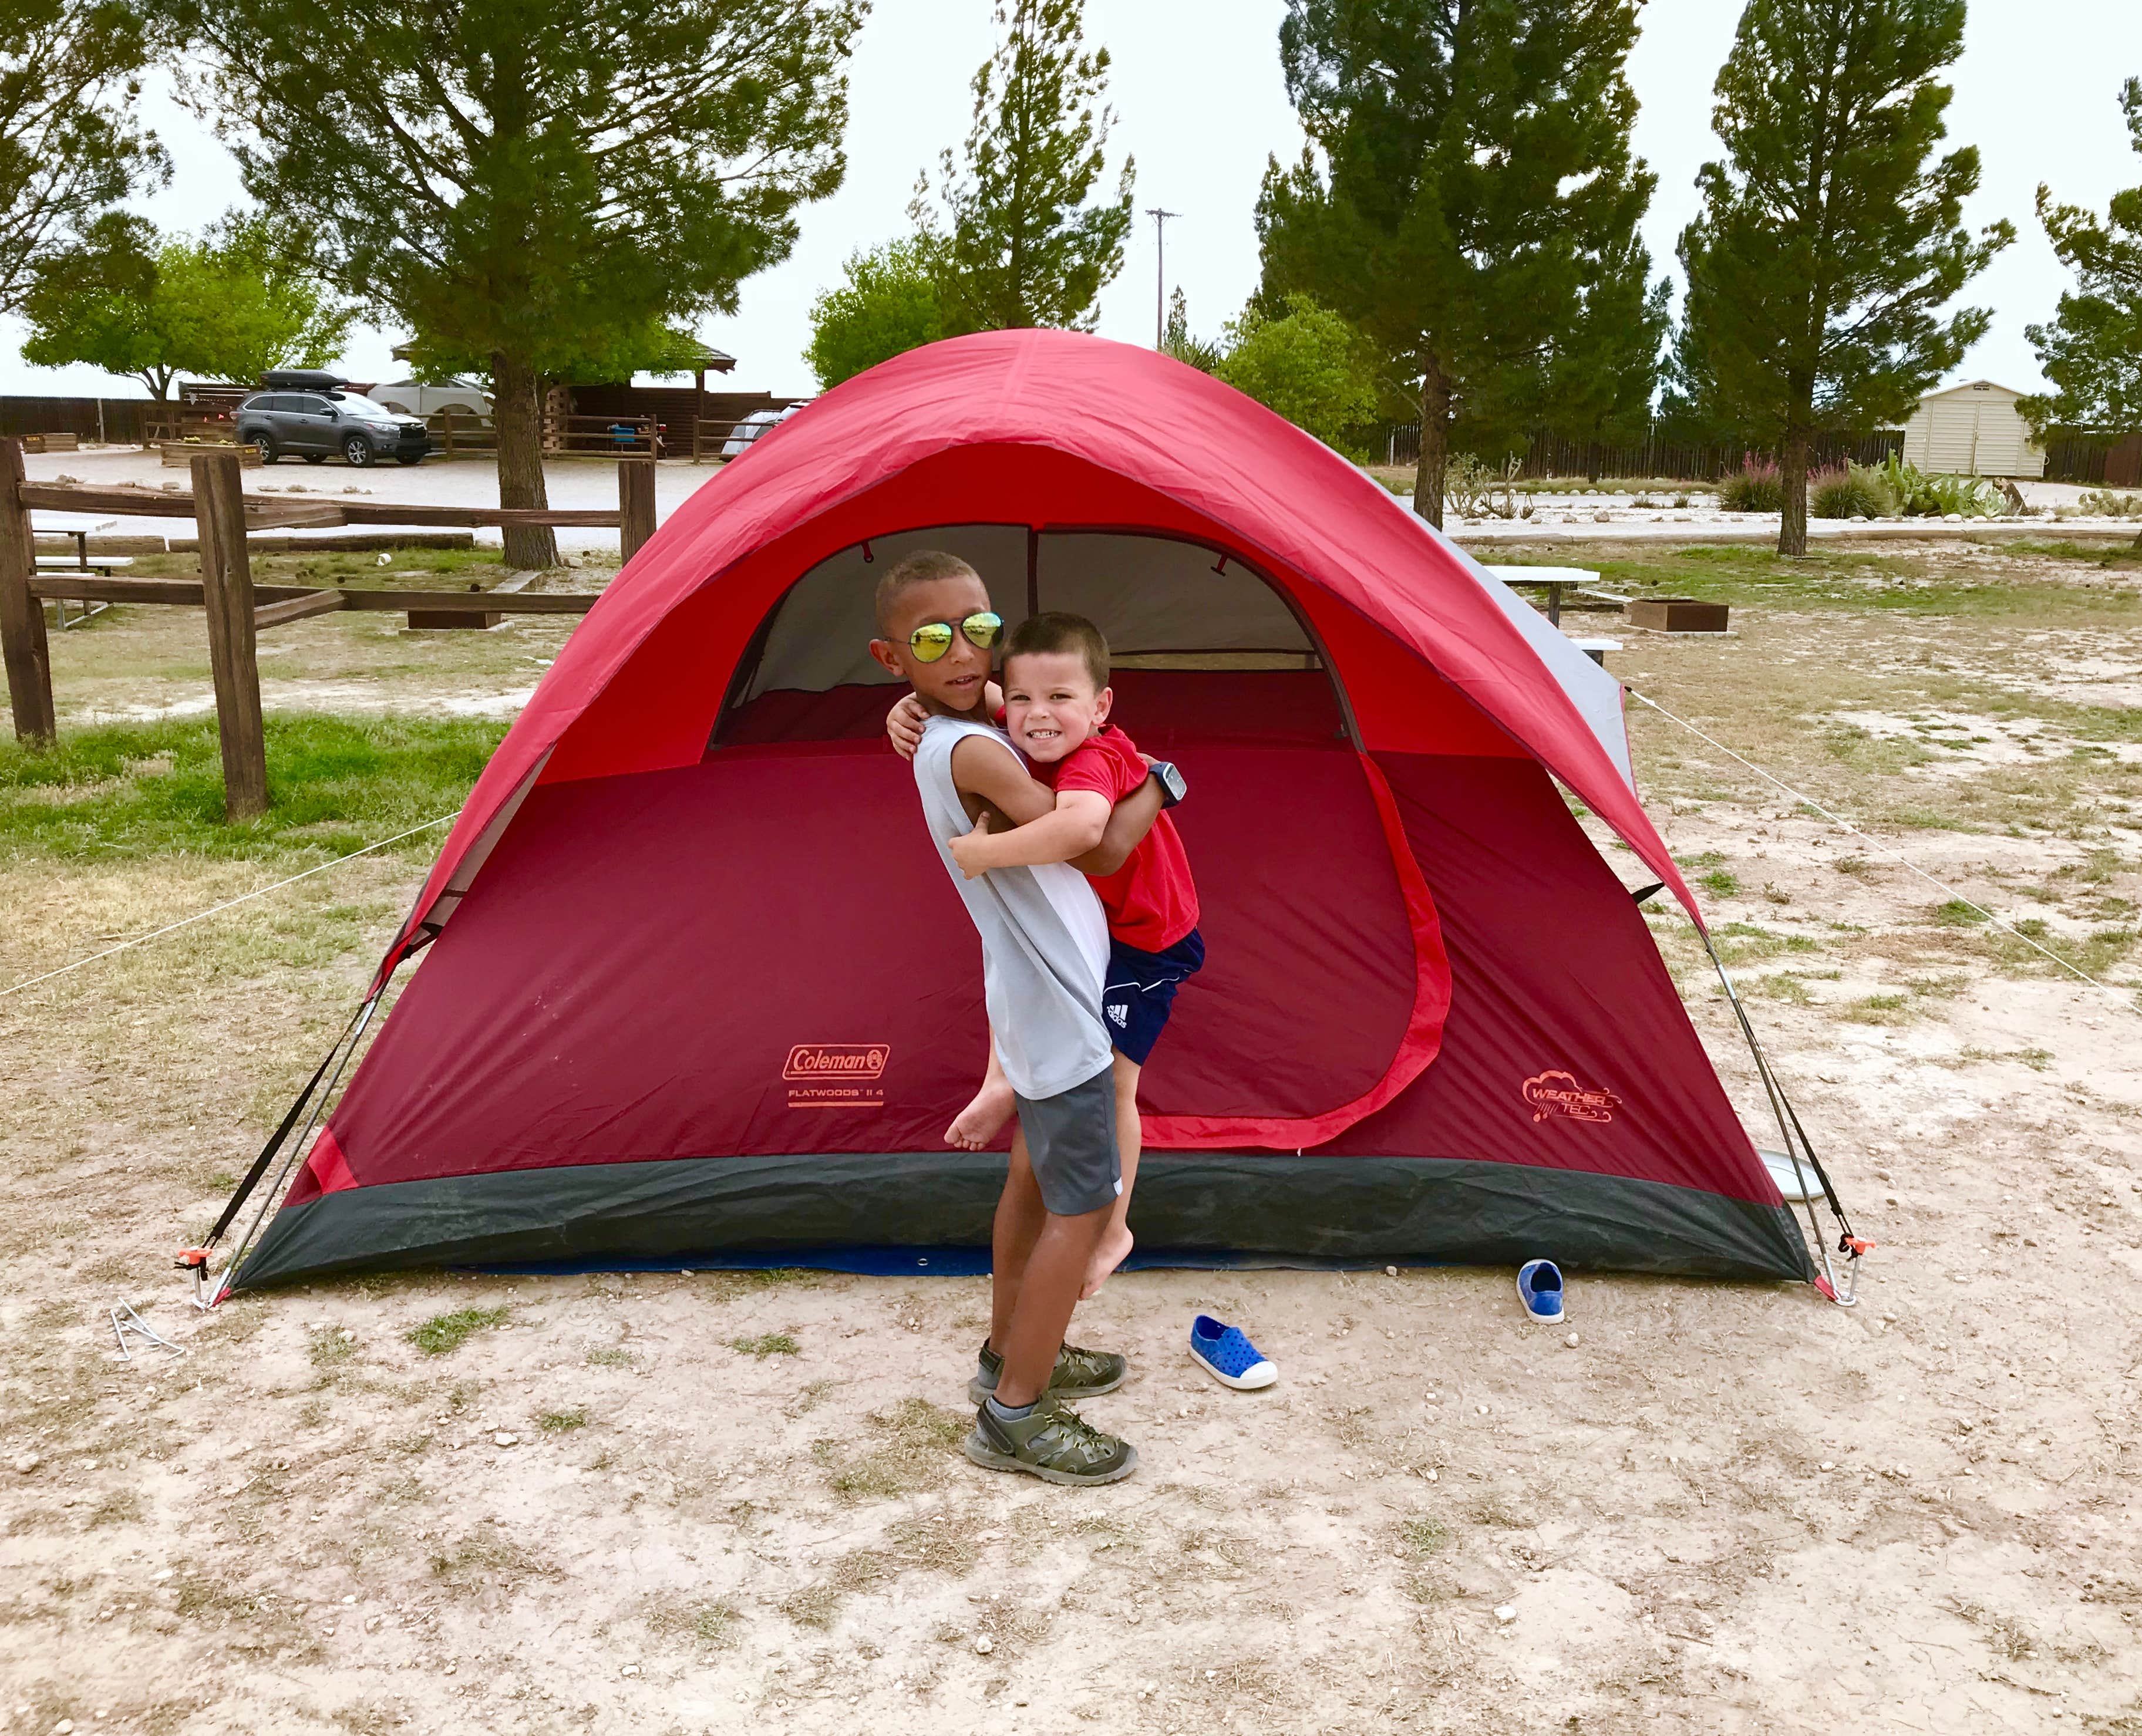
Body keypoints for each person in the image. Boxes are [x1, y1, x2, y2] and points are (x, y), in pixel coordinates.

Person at [867, 551, 1164, 1485]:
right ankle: (1017, 1414)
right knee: (1079, 1207)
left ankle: (1010, 1350)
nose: (963, 650)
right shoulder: (975, 747)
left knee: (1032, 1186)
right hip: (1066, 1008)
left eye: (979, 628)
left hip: (1035, 997)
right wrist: (1160, 777)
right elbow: (1097, 837)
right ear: (893, 657)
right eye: (931, 639)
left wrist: (945, 707)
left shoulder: (951, 731)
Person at [932, 612, 1201, 1302]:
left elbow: (1085, 828)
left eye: (1059, 699)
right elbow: (995, 696)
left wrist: (987, 853)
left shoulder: (1095, 757)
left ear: (1101, 705)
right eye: (1022, 699)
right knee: (1021, 961)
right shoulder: (1033, 718)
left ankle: (1116, 1227)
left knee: (1114, 1081)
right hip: (1096, 928)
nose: (1036, 714)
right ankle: (1002, 1080)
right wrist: (911, 703)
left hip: (1146, 938)